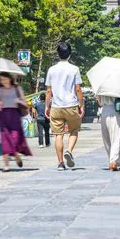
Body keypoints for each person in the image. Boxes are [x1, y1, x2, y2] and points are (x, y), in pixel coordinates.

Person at [44, 42, 84, 171]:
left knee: (58, 134)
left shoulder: (51, 70)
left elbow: (48, 91)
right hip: (71, 105)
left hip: (56, 106)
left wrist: (47, 106)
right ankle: (69, 150)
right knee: (74, 131)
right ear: (69, 54)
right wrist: (81, 105)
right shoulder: (74, 69)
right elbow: (78, 89)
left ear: (57, 54)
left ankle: (60, 163)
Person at [0, 72, 32, 172]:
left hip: (14, 116)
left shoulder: (17, 88)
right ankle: (6, 165)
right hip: (3, 116)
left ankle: (16, 156)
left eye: (5, 79)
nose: (3, 81)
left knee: (15, 139)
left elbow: (25, 104)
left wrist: (18, 101)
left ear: (9, 78)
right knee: (5, 140)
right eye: (1, 79)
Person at [99, 94, 120, 171]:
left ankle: (112, 159)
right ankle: (113, 161)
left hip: (105, 111)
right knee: (117, 137)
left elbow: (99, 102)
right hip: (118, 110)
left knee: (107, 138)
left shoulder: (102, 86)